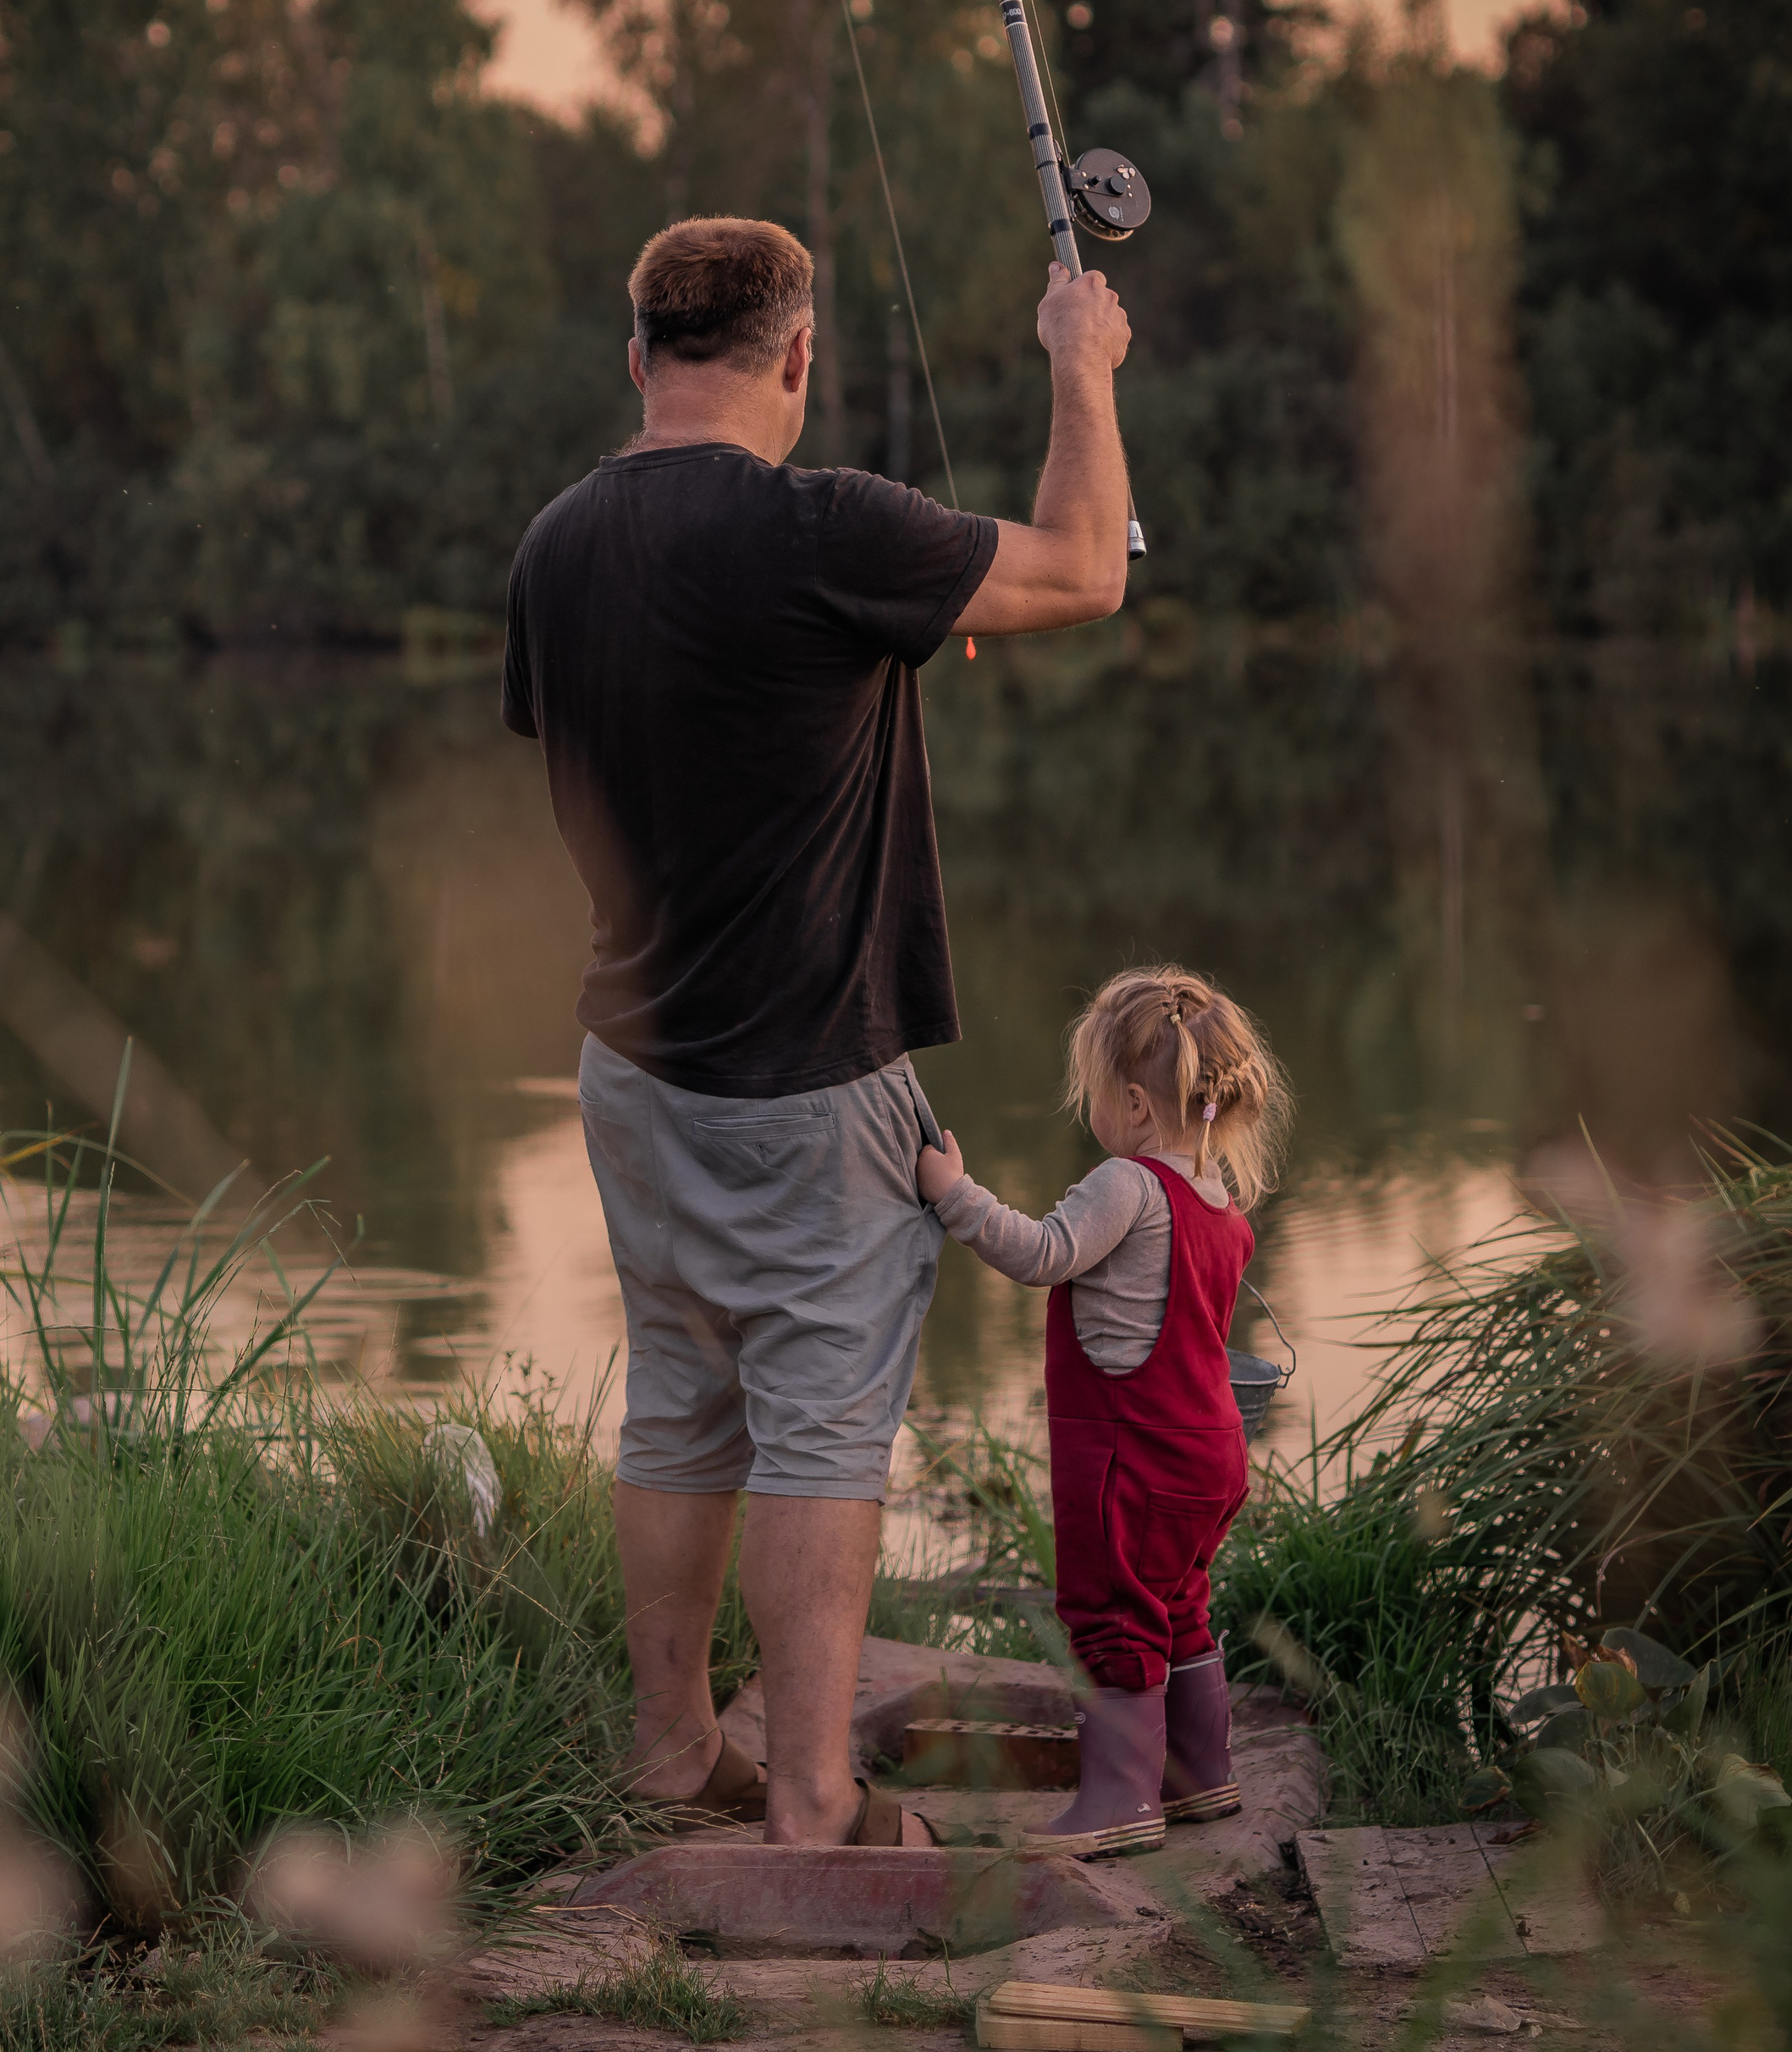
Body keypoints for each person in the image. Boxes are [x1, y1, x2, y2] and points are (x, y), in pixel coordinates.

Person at [501, 215, 1131, 1847]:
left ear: (640, 360)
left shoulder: (554, 544)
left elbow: (638, 735)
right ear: (798, 358)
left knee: (678, 1403)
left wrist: (876, 633)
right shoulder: (819, 527)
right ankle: (808, 1801)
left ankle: (665, 1749)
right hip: (806, 1077)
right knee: (822, 1433)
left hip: (630, 1067)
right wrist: (1082, 363)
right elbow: (1080, 566)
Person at [918, 967, 1292, 1856]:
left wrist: (951, 1192)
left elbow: (1043, 1253)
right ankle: (1200, 1776)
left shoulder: (1125, 1185)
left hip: (1131, 1452)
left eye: (1091, 1092)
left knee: (1114, 1611)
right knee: (1178, 1601)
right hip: (1210, 1453)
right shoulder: (1222, 1205)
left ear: (1131, 1102)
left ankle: (1118, 1802)